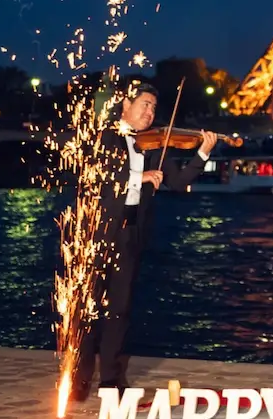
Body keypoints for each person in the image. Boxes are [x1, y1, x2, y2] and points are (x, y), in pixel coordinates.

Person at [72, 78, 217, 400]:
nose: (150, 112)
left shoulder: (153, 144)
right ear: (126, 105)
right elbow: (99, 177)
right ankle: (78, 381)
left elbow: (178, 182)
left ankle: (111, 380)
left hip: (131, 233)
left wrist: (203, 153)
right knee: (88, 310)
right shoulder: (104, 136)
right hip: (97, 233)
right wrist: (140, 177)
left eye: (153, 107)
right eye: (145, 105)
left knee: (120, 310)